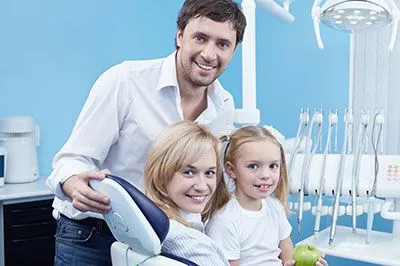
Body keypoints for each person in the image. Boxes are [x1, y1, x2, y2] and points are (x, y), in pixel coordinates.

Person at [46, 0, 246, 265]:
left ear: (233, 50)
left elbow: (206, 180)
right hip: (93, 232)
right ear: (179, 35)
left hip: (160, 236)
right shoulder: (125, 81)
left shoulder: (223, 105)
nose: (209, 54)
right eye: (200, 38)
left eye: (222, 44)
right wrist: (73, 184)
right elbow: (70, 160)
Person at [205, 126, 328, 266]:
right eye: (253, 166)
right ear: (232, 170)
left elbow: (289, 259)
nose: (265, 175)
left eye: (273, 166)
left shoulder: (274, 207)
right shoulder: (225, 221)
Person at [144, 120, 230, 265]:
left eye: (209, 172)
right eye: (189, 172)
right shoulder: (192, 244)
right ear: (161, 174)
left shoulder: (147, 223)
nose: (202, 186)